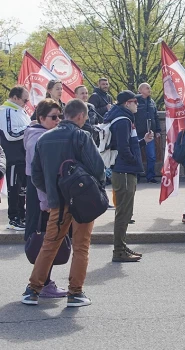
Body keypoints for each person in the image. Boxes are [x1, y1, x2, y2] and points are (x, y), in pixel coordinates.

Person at [21, 99, 105, 307]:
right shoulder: (82, 136)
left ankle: (33, 290)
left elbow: (36, 175)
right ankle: (75, 292)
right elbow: (98, 168)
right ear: (80, 116)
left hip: (57, 201)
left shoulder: (44, 138)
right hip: (82, 200)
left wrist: (50, 192)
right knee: (81, 246)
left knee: (50, 244)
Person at [23, 98, 66, 298]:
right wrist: (46, 201)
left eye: (60, 117)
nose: (58, 120)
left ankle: (41, 282)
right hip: (40, 194)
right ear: (41, 118)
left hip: (40, 192)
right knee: (43, 237)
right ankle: (41, 283)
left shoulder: (38, 134)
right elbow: (37, 175)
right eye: (53, 117)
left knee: (45, 237)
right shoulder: (38, 138)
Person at [104, 90, 153, 262]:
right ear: (127, 103)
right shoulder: (123, 120)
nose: (137, 104)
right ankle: (118, 250)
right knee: (124, 212)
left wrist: (142, 142)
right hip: (124, 170)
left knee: (125, 211)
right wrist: (133, 161)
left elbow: (125, 145)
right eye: (134, 101)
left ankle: (121, 247)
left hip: (124, 169)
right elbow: (124, 149)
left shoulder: (123, 118)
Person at [0, 85, 31, 230]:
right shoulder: (5, 111)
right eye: (25, 100)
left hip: (24, 157)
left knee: (22, 189)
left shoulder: (21, 111)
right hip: (12, 157)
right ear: (15, 98)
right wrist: (30, 128)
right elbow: (10, 134)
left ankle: (22, 215)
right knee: (14, 188)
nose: (27, 103)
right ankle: (14, 219)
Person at [135, 83, 162, 183]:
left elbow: (156, 117)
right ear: (141, 89)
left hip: (149, 132)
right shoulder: (135, 100)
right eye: (147, 88)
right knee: (136, 155)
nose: (149, 89)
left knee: (151, 156)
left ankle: (150, 176)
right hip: (137, 132)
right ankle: (136, 176)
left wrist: (158, 130)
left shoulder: (152, 102)